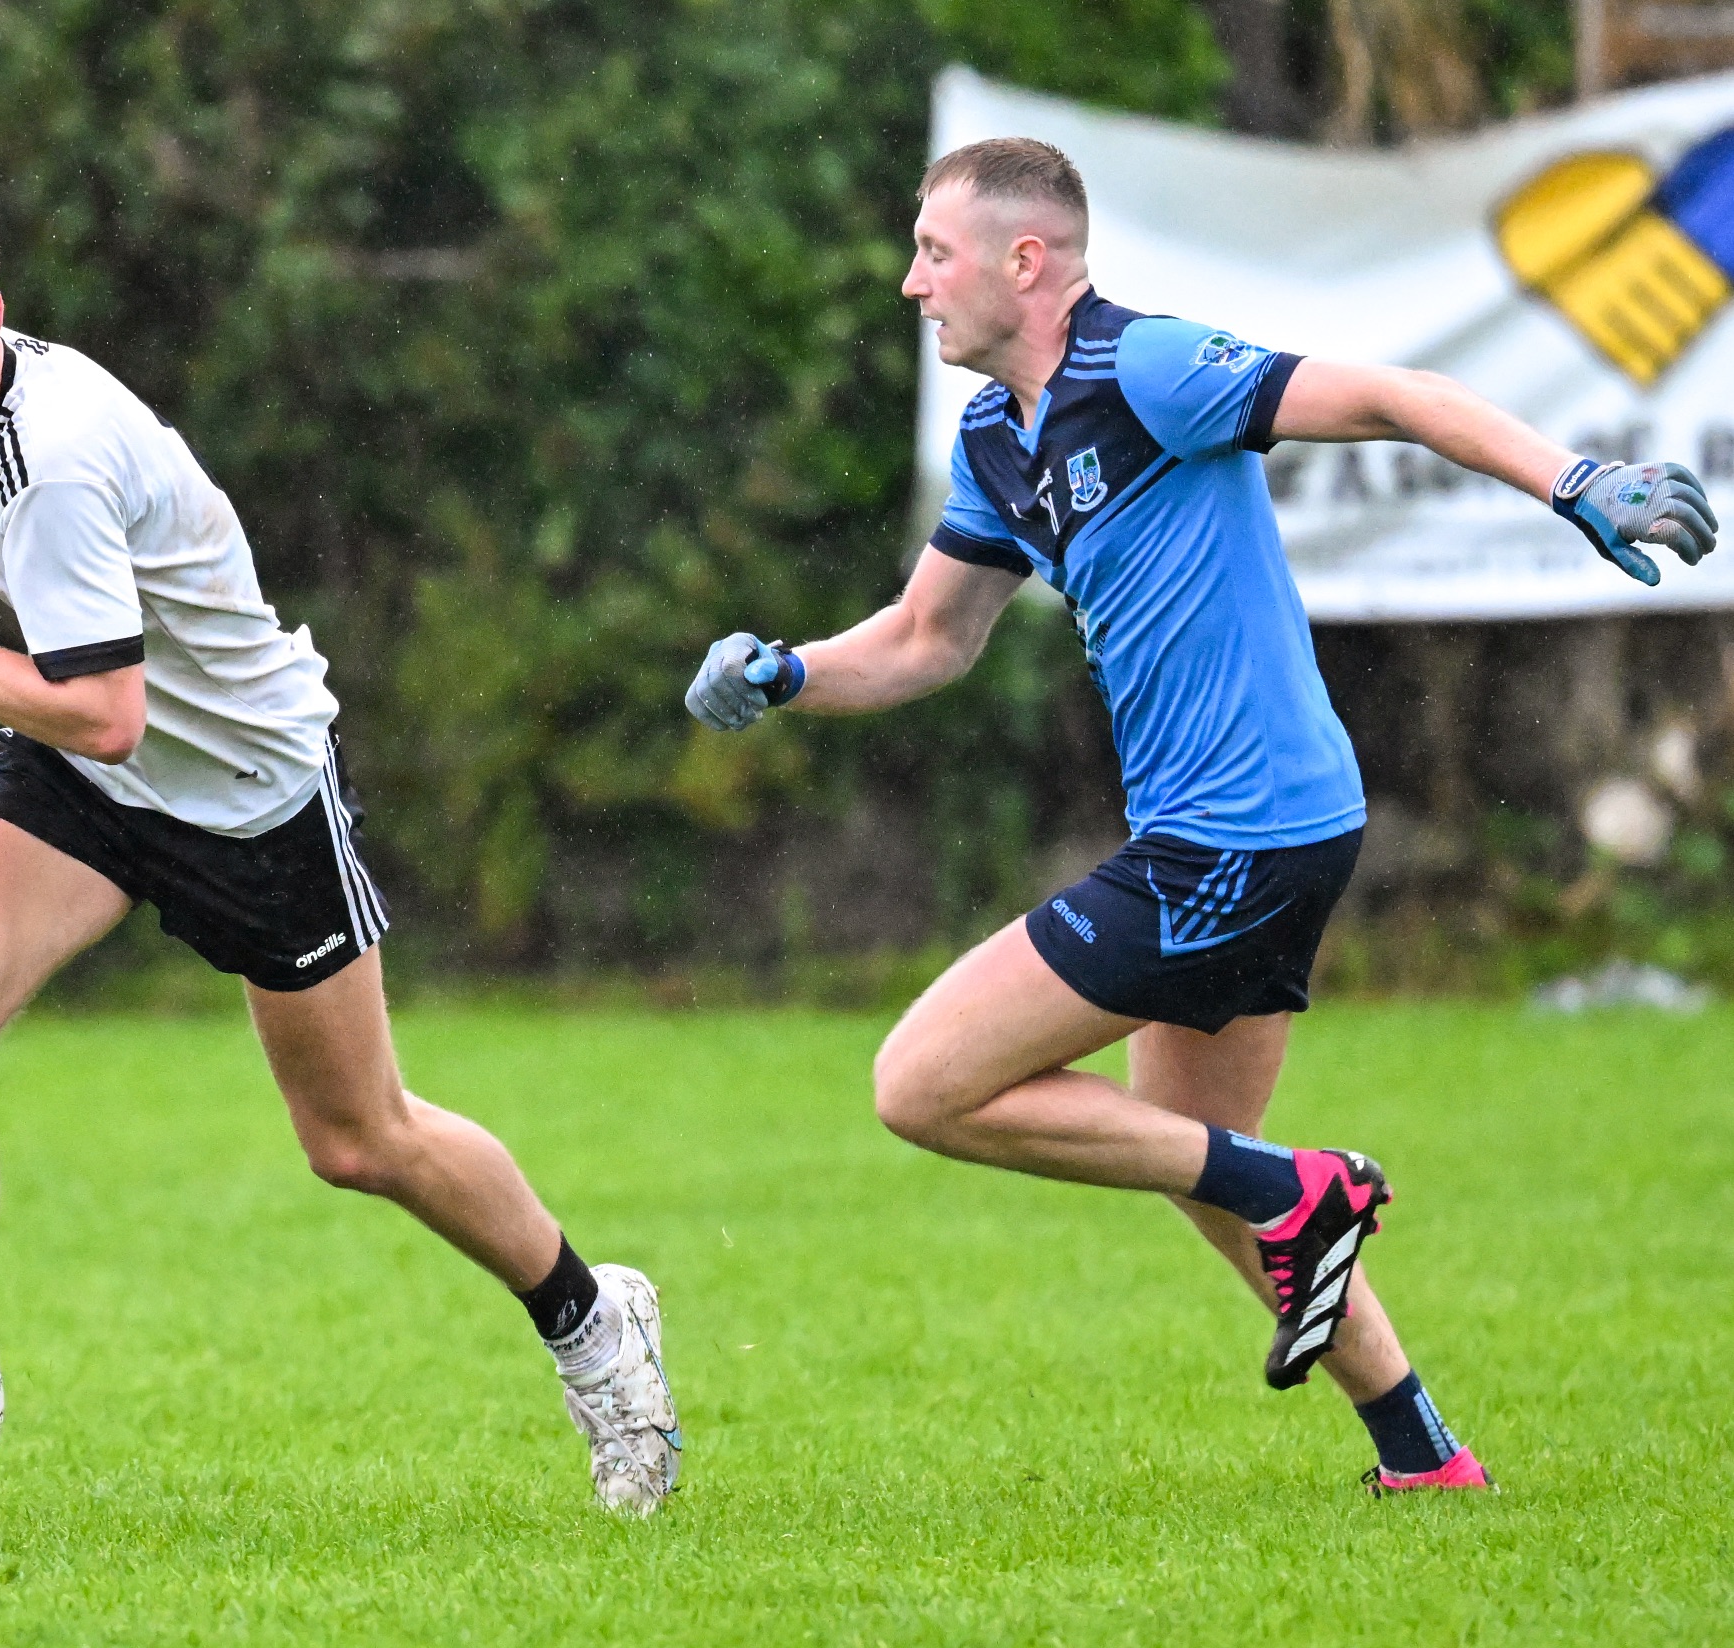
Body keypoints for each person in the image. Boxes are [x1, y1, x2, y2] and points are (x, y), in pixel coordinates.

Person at [686, 137, 1717, 1492]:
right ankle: (1423, 1455)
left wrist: (1576, 481)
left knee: (922, 1085)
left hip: (1241, 834)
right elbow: (930, 639)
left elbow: (1393, 395)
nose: (911, 283)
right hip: (1256, 830)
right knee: (1203, 1161)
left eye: (934, 253)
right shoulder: (995, 437)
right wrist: (787, 673)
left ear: (1024, 262)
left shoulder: (1147, 369)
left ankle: (1298, 1190)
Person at [0, 171, 680, 1514]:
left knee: (360, 1139)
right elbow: (73, 715)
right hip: (87, 785)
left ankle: (596, 1324)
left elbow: (105, 711)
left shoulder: (55, 457)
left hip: (249, 797)